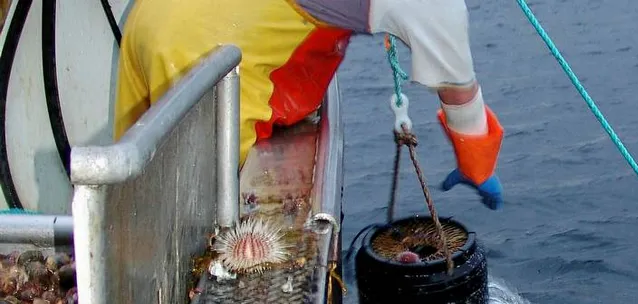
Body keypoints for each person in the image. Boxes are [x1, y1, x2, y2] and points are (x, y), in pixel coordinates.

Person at [113, 0, 505, 209]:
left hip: (150, 17)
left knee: (127, 197)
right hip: (207, 54)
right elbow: (458, 87)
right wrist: (477, 164)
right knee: (187, 219)